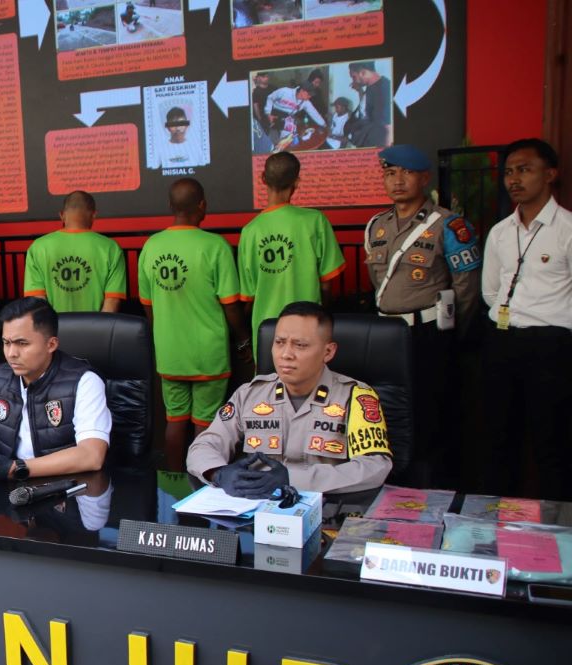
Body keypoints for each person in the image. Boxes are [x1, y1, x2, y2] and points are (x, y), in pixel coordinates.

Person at [365, 144, 481, 486]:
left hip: (428, 333)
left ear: (424, 177)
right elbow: (377, 282)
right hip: (387, 334)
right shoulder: (377, 226)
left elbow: (467, 287)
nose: (397, 181)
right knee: (387, 412)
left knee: (430, 414)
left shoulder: (448, 224)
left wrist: (448, 331)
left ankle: (433, 486)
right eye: (390, 174)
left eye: (406, 173)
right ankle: (393, 482)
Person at [187, 302, 392, 496]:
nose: (286, 354)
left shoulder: (355, 397)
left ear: (328, 352)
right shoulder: (249, 394)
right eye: (279, 342)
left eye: (300, 345)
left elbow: (374, 466)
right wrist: (218, 473)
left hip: (324, 513)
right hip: (255, 512)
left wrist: (291, 478)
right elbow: (205, 445)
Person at [480, 138, 571, 500]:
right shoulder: (501, 232)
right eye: (509, 172)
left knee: (552, 441)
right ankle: (497, 525)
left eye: (525, 170)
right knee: (497, 440)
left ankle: (559, 533)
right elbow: (490, 291)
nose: (514, 179)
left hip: (552, 344)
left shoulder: (566, 228)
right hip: (502, 340)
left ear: (550, 175)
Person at [0, 297, 112, 481]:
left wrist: (16, 468)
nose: (12, 353)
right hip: (14, 490)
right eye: (6, 343)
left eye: (22, 343)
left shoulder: (84, 381)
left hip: (69, 490)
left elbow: (91, 455)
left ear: (51, 344)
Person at [138, 179, 248, 470]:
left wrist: (162, 334)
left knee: (174, 421)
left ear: (171, 207)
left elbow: (148, 306)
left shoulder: (151, 246)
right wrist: (243, 339)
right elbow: (230, 304)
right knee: (205, 425)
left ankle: (173, 485)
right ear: (202, 206)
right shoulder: (215, 247)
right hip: (208, 354)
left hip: (170, 353)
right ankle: (202, 484)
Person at [238, 151, 345, 340]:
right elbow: (327, 286)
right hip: (309, 327)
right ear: (297, 181)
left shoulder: (249, 231)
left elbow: (249, 295)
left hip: (267, 330)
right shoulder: (315, 221)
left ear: (263, 178)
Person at [23, 191, 127, 312]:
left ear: (62, 215)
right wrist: (99, 330)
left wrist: (50, 330)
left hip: (54, 329)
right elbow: (112, 302)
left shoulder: (38, 247)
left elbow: (37, 301)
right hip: (96, 328)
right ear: (94, 215)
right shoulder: (111, 248)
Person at [264, 85, 325, 151]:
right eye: (308, 94)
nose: (309, 97)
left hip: (287, 118)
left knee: (287, 142)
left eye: (311, 96)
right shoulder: (285, 91)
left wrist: (324, 124)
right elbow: (270, 97)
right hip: (274, 115)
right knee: (270, 143)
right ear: (302, 91)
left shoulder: (305, 102)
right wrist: (268, 113)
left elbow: (314, 113)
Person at [348, 61, 390, 148]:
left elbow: (387, 127)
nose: (353, 81)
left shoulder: (383, 89)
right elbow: (366, 107)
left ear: (363, 73)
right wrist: (359, 90)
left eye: (354, 77)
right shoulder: (371, 85)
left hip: (373, 144)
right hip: (365, 141)